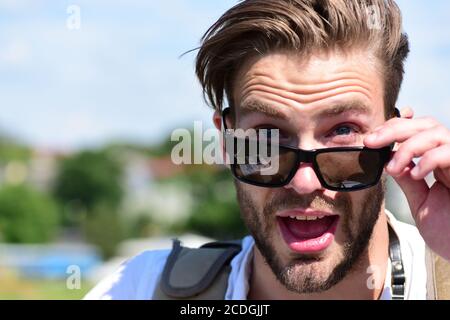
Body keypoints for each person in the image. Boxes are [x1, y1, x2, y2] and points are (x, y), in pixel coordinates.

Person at [85, 0, 450, 300]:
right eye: (269, 135)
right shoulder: (139, 289)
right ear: (228, 143)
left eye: (342, 130)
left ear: (394, 138)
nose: (305, 182)